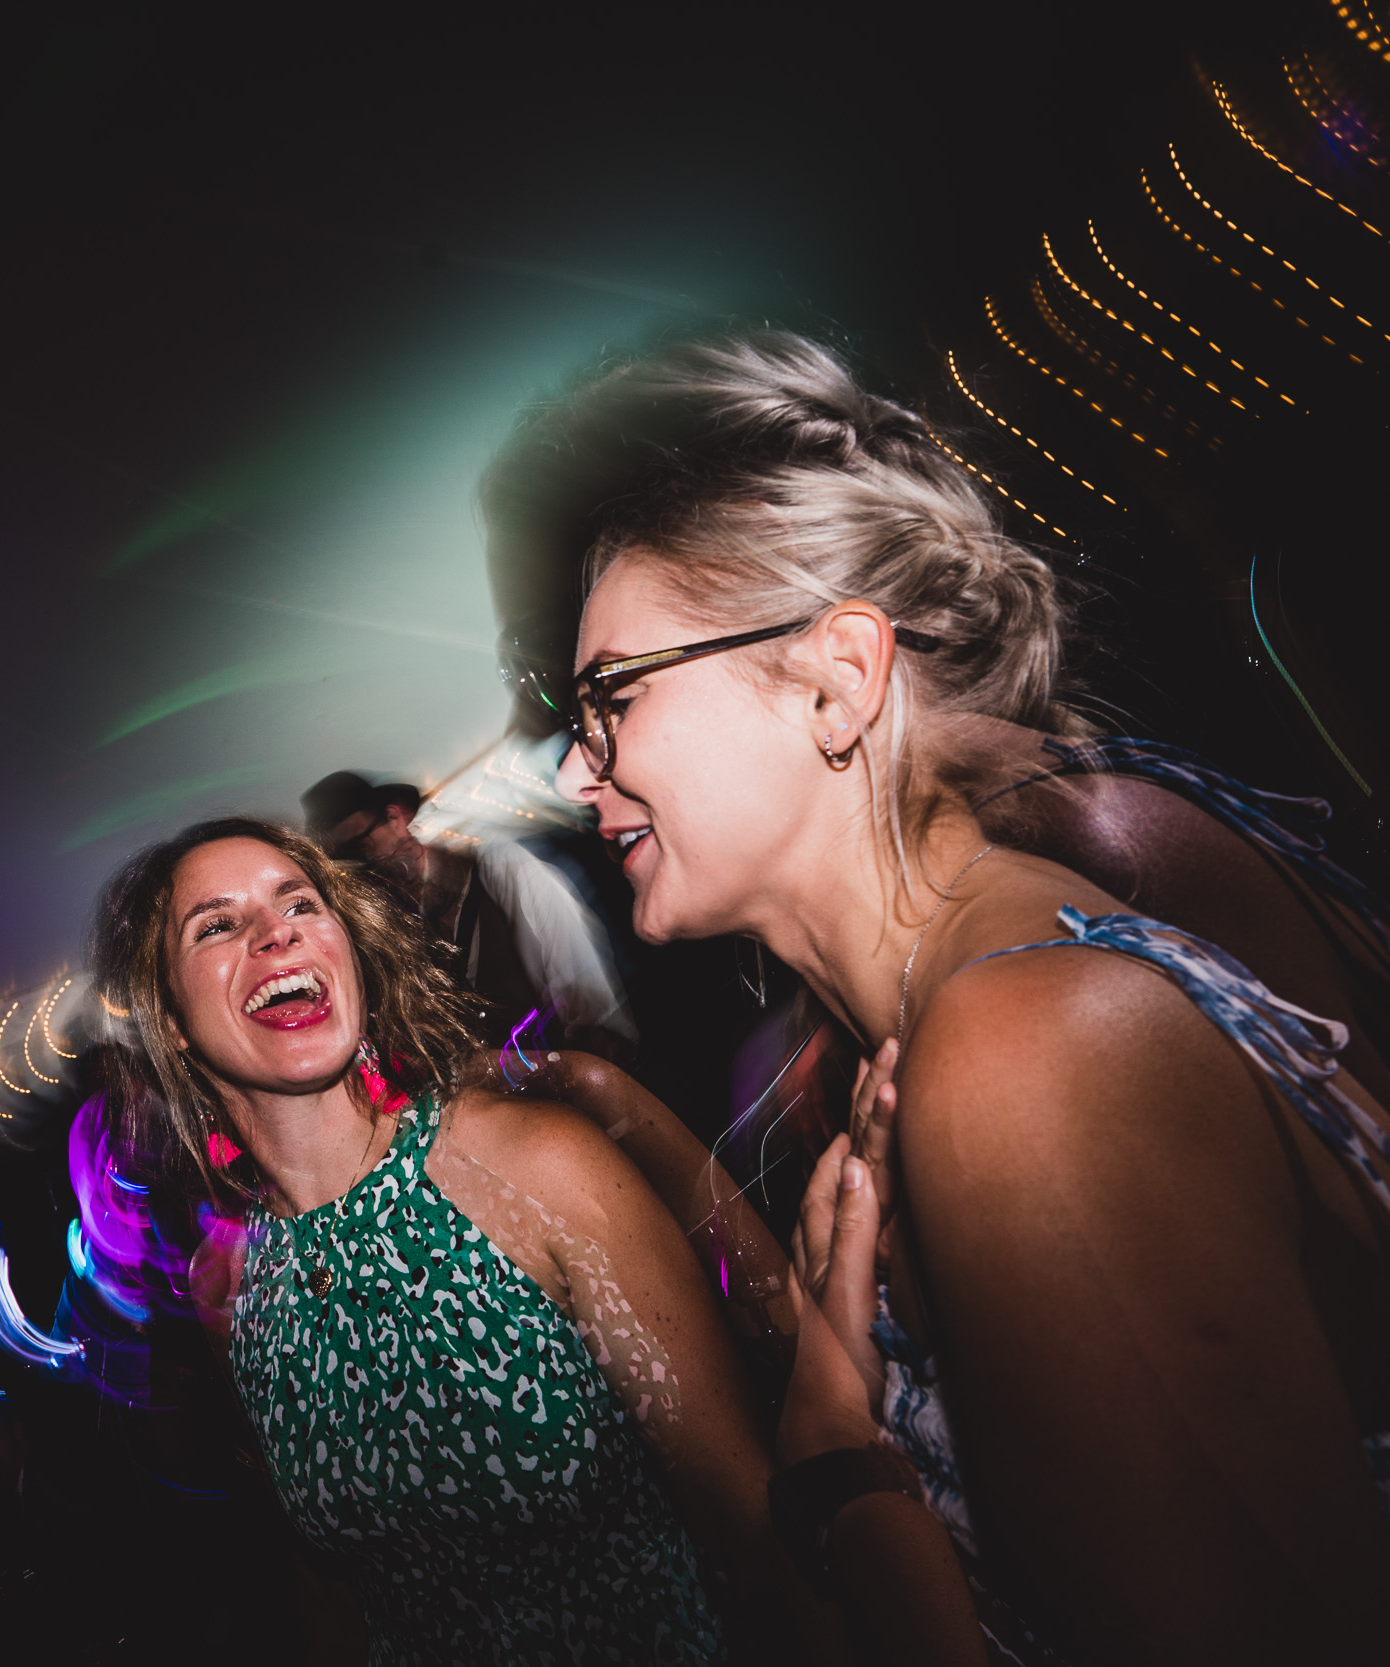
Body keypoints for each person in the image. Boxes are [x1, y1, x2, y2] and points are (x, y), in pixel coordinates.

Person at [532, 331, 1389, 1660]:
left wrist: (840, 1468)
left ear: (836, 678)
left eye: (614, 700)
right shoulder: (913, 1045)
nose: (581, 775)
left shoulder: (1022, 1061)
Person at [89, 816, 830, 1663]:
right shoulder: (230, 1283)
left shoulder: (531, 1167)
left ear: (346, 948)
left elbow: (753, 1523)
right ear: (171, 1019)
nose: (275, 930)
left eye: (298, 902)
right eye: (216, 925)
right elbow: (330, 1587)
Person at [301, 770, 633, 1054]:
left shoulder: (507, 870)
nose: (365, 866)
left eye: (361, 845)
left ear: (395, 819)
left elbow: (589, 997)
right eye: (347, 860)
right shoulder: (401, 925)